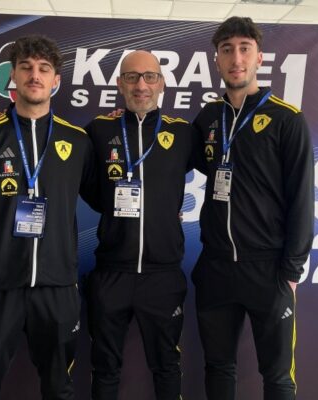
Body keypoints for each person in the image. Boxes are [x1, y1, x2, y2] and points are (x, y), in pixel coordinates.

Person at [0, 34, 93, 399]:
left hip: (57, 288)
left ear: (56, 80)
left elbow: (100, 195)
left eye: (44, 69)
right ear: (12, 76)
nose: (35, 75)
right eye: (26, 67)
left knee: (59, 388)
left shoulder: (78, 141)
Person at [191, 17, 314, 400]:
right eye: (227, 49)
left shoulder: (286, 119)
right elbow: (169, 157)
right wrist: (128, 122)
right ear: (217, 59)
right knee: (218, 368)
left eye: (245, 48)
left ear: (260, 57)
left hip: (269, 269)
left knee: (277, 378)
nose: (236, 58)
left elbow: (302, 199)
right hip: (216, 267)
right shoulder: (208, 118)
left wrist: (291, 271)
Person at [81, 50, 198, 400]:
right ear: (120, 84)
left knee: (167, 367)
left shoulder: (182, 133)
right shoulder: (98, 130)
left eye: (149, 77)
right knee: (105, 369)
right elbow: (89, 187)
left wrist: (161, 212)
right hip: (111, 273)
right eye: (131, 77)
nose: (141, 85)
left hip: (163, 275)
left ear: (161, 84)